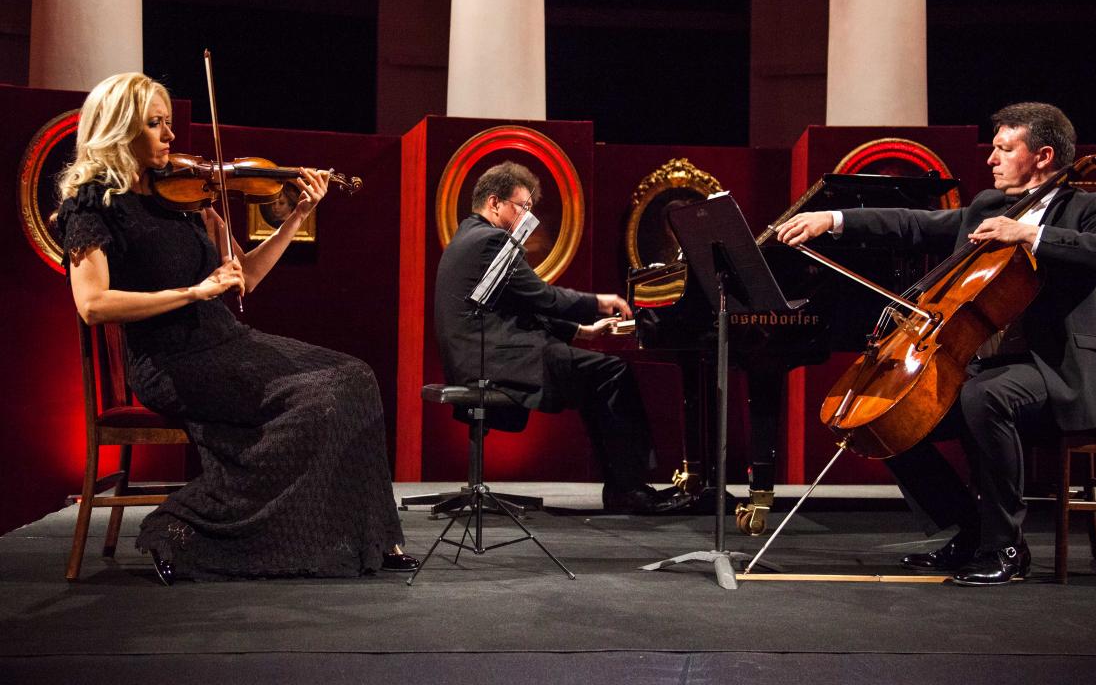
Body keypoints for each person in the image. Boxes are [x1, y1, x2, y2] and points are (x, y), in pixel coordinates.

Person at [56, 73, 416, 583]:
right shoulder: (92, 206)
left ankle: (372, 537)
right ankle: (179, 524)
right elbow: (92, 304)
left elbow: (244, 276)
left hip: (226, 340)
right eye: (155, 125)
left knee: (354, 375)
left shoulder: (185, 200)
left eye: (167, 123)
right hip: (171, 360)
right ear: (120, 130)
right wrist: (193, 292)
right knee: (318, 399)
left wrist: (298, 216)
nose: (170, 136)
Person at [776, 102, 1096, 585]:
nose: (991, 159)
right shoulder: (990, 206)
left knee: (981, 396)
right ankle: (971, 531)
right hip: (993, 365)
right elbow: (913, 224)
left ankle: (1006, 547)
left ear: (1045, 156)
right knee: (883, 414)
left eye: (1005, 149)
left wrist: (1030, 234)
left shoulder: (1094, 206)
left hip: (1063, 370)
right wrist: (833, 220)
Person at [434, 161, 690, 513]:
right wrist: (599, 302)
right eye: (522, 207)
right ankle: (629, 489)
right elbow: (541, 296)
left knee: (595, 376)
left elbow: (517, 306)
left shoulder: (468, 236)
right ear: (494, 203)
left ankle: (623, 487)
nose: (527, 216)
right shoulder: (492, 241)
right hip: (498, 357)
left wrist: (580, 332)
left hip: (481, 353)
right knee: (612, 373)